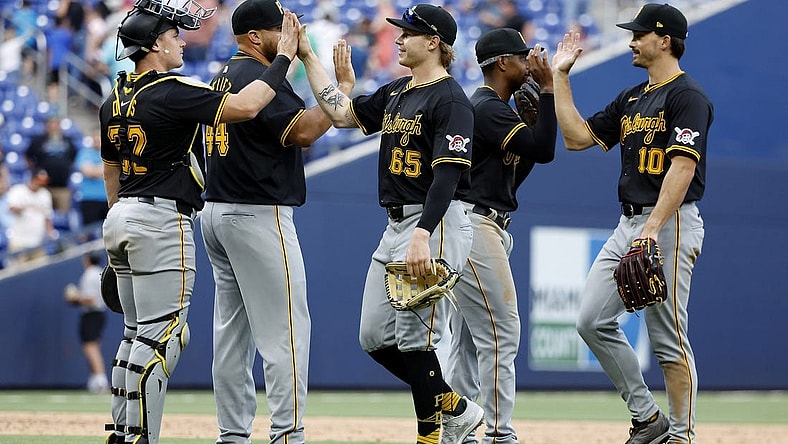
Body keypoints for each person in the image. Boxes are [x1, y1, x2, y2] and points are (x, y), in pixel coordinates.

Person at [98, 0, 301, 441]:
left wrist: (116, 222)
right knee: (162, 339)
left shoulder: (113, 98)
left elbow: (111, 168)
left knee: (133, 338)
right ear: (153, 44)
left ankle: (122, 430)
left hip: (122, 215)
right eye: (173, 35)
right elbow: (247, 107)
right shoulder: (172, 90)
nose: (180, 42)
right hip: (159, 218)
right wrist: (284, 56)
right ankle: (138, 438)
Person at [298, 4, 484, 443]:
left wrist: (423, 235)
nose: (398, 39)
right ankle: (455, 406)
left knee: (416, 339)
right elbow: (343, 114)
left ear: (434, 42)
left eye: (408, 33)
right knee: (373, 336)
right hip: (397, 223)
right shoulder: (399, 91)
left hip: (433, 220)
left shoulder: (452, 99)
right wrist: (308, 58)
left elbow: (448, 173)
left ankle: (430, 436)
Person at [551, 4, 712, 444]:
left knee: (667, 339)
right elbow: (577, 138)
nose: (631, 41)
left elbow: (681, 167)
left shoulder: (687, 96)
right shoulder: (632, 97)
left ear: (665, 40)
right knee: (590, 320)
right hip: (630, 223)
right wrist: (561, 79)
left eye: (640, 34)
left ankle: (680, 436)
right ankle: (648, 417)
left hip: (670, 223)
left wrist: (654, 227)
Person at [199, 0, 353, 442]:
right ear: (255, 37)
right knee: (286, 331)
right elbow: (303, 132)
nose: (291, 35)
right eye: (280, 29)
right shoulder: (259, 76)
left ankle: (232, 434)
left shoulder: (224, 73)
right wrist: (340, 86)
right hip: (256, 212)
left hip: (218, 212)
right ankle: (287, 433)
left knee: (232, 336)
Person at [446, 27, 556, 444]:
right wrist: (547, 92)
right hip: (475, 226)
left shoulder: (495, 109)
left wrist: (530, 124)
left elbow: (519, 170)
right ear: (503, 63)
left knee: (470, 343)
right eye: (524, 58)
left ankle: (459, 431)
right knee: (501, 331)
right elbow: (546, 150)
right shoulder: (486, 106)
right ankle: (496, 432)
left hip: (480, 222)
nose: (531, 64)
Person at [64, 250, 110, 393]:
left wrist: (75, 297)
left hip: (92, 313)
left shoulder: (89, 275)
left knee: (90, 347)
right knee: (94, 345)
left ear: (88, 260)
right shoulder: (101, 272)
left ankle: (101, 380)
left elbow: (90, 299)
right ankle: (95, 380)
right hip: (100, 313)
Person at [25, 115, 79, 213]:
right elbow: (28, 156)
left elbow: (73, 157)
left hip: (63, 187)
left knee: (64, 217)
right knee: (43, 214)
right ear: (46, 126)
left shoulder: (67, 140)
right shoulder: (39, 140)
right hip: (43, 187)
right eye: (51, 124)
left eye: (56, 124)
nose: (54, 127)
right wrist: (35, 171)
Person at [5, 168, 56, 264]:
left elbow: (48, 218)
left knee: (40, 272)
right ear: (32, 179)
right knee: (17, 273)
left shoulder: (45, 195)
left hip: (37, 243)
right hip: (19, 242)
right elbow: (12, 208)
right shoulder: (18, 190)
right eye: (38, 180)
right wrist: (27, 207)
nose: (40, 184)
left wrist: (51, 234)